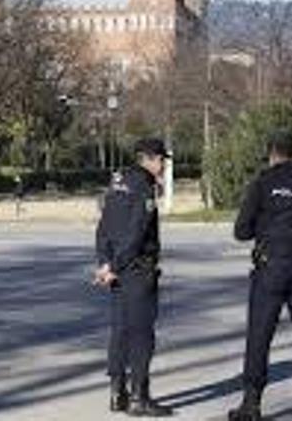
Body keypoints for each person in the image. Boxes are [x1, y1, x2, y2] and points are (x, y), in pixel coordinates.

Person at [228, 131, 292, 421]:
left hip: (270, 266)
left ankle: (252, 403)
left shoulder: (263, 183)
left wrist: (265, 223)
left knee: (259, 335)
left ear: (272, 154)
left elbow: (241, 231)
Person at [95, 138, 173, 417]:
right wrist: (114, 265)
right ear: (148, 158)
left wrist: (104, 262)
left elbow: (104, 226)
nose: (163, 164)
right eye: (161, 159)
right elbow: (137, 232)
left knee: (120, 329)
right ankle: (140, 397)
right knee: (141, 334)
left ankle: (118, 393)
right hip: (137, 268)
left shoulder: (118, 182)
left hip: (117, 268)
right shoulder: (144, 186)